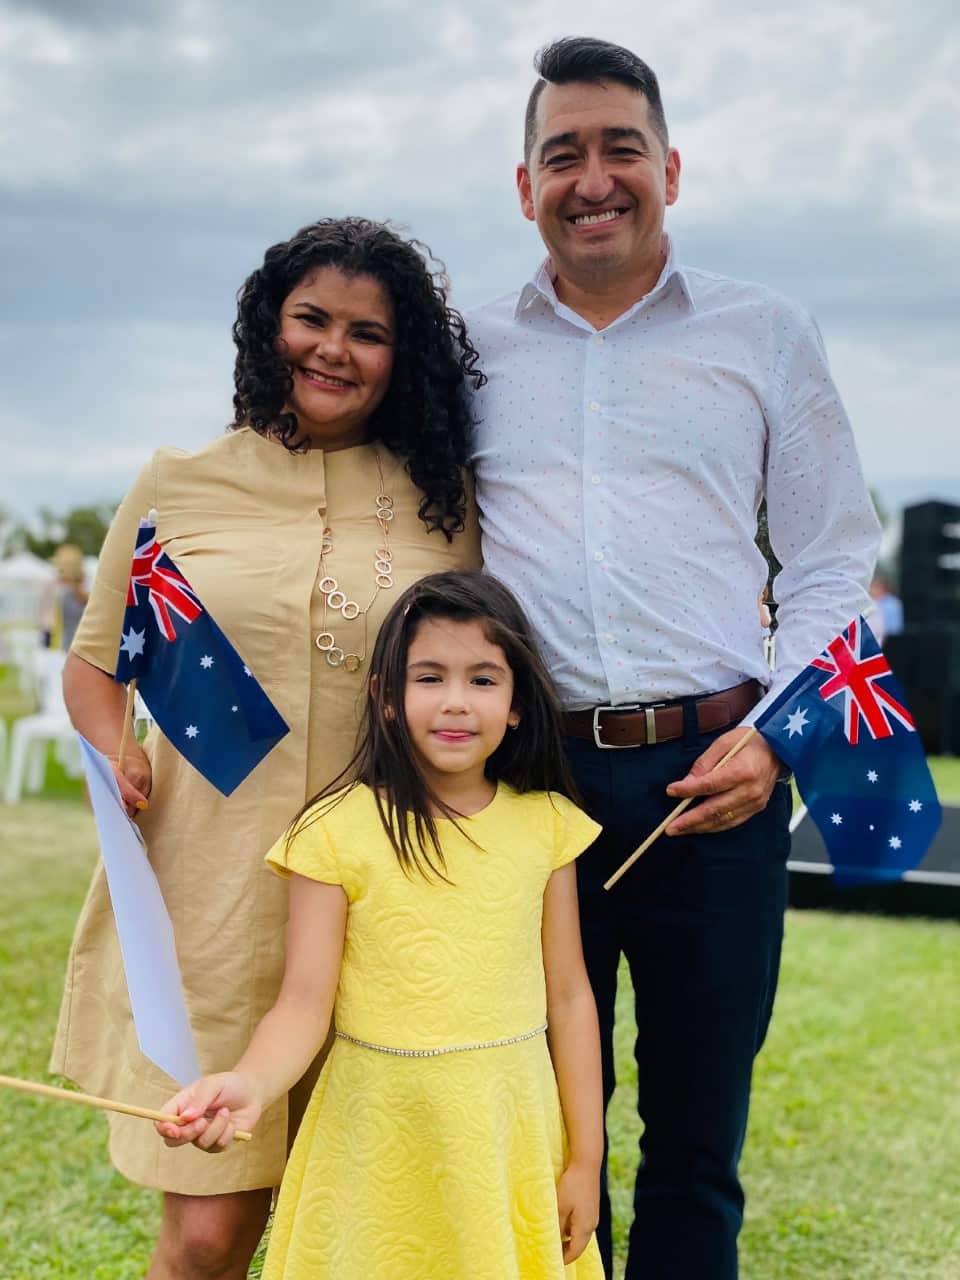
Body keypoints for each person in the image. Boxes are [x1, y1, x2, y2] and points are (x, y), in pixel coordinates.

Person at [468, 37, 881, 1280]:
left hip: (721, 775)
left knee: (697, 1140)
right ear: (525, 184)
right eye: (563, 154)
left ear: (672, 169)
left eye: (620, 148)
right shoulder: (467, 347)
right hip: (525, 786)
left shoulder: (765, 334)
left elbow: (828, 564)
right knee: (539, 1122)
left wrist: (777, 739)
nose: (594, 178)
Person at [52, 218, 483, 1280]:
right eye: (312, 319)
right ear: (268, 328)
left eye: (367, 331)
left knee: (360, 1227)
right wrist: (118, 750)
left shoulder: (449, 505)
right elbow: (93, 666)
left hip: (391, 895)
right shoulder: (177, 479)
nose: (334, 348)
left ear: (403, 354)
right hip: (213, 895)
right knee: (206, 1232)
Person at [156, 570, 605, 1279]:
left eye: (484, 680)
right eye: (429, 677)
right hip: (375, 1134)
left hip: (506, 1131)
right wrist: (249, 1084)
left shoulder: (548, 827)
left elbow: (571, 998)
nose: (456, 702)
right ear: (387, 699)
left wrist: (586, 1160)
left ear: (518, 704)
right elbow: (304, 1003)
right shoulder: (335, 833)